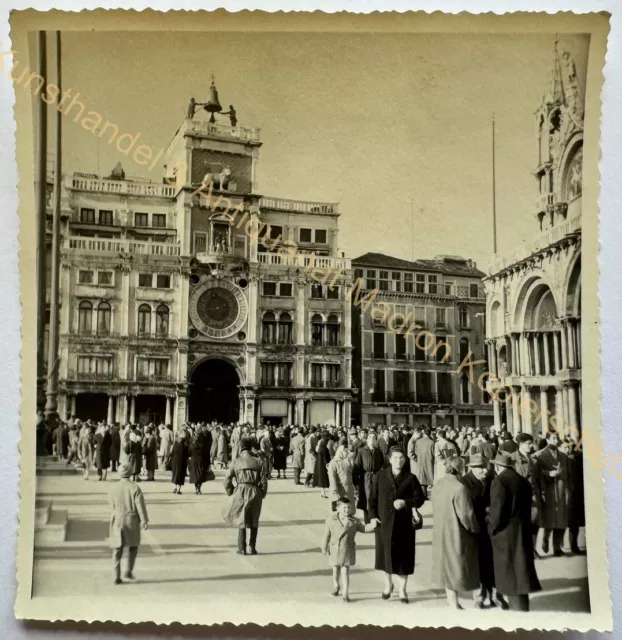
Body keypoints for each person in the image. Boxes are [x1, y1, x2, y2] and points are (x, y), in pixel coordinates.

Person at [368, 446, 426, 603]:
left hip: (404, 526)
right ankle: (388, 586)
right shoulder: (380, 476)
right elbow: (372, 500)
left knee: (403, 559)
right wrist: (372, 517)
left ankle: (402, 590)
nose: (398, 460)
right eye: (395, 457)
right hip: (383, 524)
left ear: (405, 459)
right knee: (385, 557)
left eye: (401, 458)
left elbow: (419, 499)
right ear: (389, 459)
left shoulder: (411, 478)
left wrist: (405, 503)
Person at [489, 452, 542, 611]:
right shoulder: (523, 481)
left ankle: (518, 614)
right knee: (521, 573)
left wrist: (490, 526)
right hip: (523, 532)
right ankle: (522, 608)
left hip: (506, 535)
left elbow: (497, 513)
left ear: (497, 467)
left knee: (510, 576)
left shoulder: (499, 481)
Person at [432, 456, 480, 609]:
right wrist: (475, 529)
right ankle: (459, 604)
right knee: (457, 567)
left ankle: (452, 601)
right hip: (457, 534)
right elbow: (466, 515)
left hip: (440, 533)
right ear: (461, 469)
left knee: (446, 568)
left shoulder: (437, 485)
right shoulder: (460, 488)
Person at [461, 453, 507, 609]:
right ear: (472, 468)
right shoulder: (464, 482)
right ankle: (479, 597)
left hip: (491, 527)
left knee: (494, 562)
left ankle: (496, 595)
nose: (483, 470)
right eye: (479, 468)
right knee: (478, 564)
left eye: (484, 467)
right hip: (475, 528)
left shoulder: (492, 479)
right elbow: (465, 507)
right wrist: (484, 510)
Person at [321, 497, 377, 602]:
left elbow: (364, 528)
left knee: (345, 571)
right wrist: (324, 547)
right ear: (337, 508)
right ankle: (336, 585)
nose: (347, 510)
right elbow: (326, 535)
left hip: (347, 550)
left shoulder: (354, 521)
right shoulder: (330, 519)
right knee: (335, 570)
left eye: (349, 507)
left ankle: (345, 594)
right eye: (344, 508)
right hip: (334, 549)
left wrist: (373, 525)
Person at [223, 438, 268, 555]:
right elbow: (264, 480)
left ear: (240, 448)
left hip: (240, 490)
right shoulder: (259, 462)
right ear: (249, 448)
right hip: (255, 491)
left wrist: (231, 491)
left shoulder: (236, 462)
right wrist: (262, 493)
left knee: (240, 518)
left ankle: (241, 547)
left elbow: (227, 479)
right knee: (254, 519)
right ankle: (252, 547)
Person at [108, 463, 149, 585]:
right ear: (130, 473)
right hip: (131, 520)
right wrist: (144, 520)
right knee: (133, 547)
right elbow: (140, 506)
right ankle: (129, 571)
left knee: (117, 549)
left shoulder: (113, 488)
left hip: (117, 520)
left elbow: (110, 503)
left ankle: (116, 576)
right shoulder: (135, 488)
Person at [535, 433, 569, 556]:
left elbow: (567, 474)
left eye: (556, 438)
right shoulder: (539, 455)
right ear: (548, 439)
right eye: (552, 438)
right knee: (550, 519)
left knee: (560, 520)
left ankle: (557, 548)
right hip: (548, 491)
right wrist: (549, 473)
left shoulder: (563, 456)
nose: (555, 440)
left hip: (561, 491)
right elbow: (537, 472)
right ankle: (545, 539)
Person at [513, 433, 541, 559]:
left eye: (532, 443)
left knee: (534, 524)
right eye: (529, 443)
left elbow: (538, 480)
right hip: (519, 496)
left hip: (534, 496)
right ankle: (521, 551)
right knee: (521, 524)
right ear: (521, 444)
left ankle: (532, 549)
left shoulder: (534, 460)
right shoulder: (512, 458)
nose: (532, 446)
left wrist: (542, 494)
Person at [352, 431, 385, 522]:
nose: (372, 439)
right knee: (367, 499)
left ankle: (375, 519)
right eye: (370, 437)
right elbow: (357, 466)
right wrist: (355, 481)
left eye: (374, 438)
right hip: (366, 478)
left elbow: (382, 464)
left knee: (377, 497)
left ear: (375, 441)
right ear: (366, 440)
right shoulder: (362, 451)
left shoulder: (378, 451)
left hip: (377, 477)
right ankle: (368, 520)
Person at [328, 441, 356, 513]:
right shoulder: (333, 463)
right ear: (340, 452)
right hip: (340, 490)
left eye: (347, 451)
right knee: (341, 510)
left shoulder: (347, 461)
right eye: (345, 451)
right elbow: (332, 478)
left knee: (350, 510)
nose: (347, 453)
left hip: (349, 489)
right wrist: (335, 491)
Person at [412, 428, 435, 498]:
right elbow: (434, 453)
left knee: (421, 478)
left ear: (424, 433)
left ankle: (423, 495)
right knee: (428, 477)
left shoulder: (418, 441)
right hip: (429, 462)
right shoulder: (432, 442)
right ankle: (428, 495)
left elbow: (415, 451)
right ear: (430, 434)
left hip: (420, 461)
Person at [313, 431, 332, 499]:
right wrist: (327, 464)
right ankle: (323, 493)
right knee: (323, 479)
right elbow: (325, 458)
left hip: (319, 464)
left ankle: (322, 492)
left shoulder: (320, 445)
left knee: (321, 479)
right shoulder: (323, 448)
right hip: (323, 465)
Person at [189, 430, 208, 494]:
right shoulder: (203, 445)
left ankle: (196, 488)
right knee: (200, 475)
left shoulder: (192, 445)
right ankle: (199, 488)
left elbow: (189, 453)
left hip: (193, 461)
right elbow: (206, 454)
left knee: (194, 475)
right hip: (201, 461)